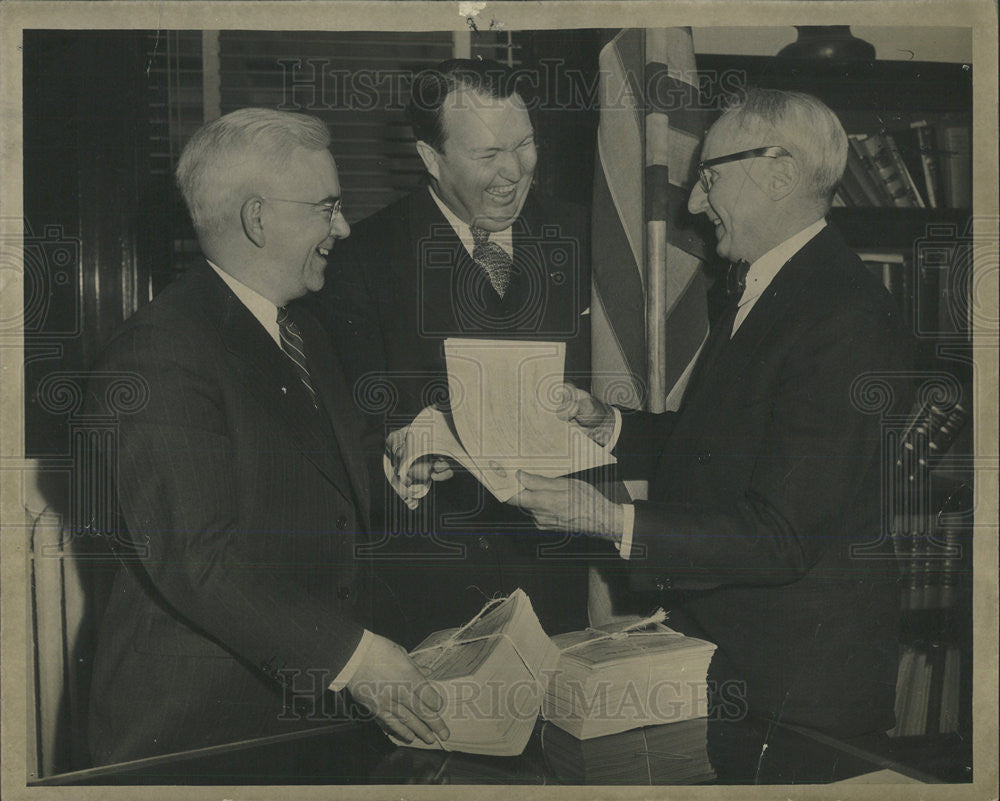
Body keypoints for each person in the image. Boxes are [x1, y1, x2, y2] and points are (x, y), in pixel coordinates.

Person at [512, 88, 914, 741]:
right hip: (742, 665)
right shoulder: (777, 287)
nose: (696, 203)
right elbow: (721, 444)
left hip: (797, 693)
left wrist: (608, 519)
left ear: (780, 171)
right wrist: (607, 425)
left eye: (710, 176)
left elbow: (782, 534)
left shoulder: (846, 316)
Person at [85, 108, 448, 765]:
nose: (342, 227)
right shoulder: (158, 352)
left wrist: (389, 471)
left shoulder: (300, 331)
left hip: (301, 715)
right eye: (328, 206)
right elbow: (201, 561)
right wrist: (357, 656)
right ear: (257, 218)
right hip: (199, 735)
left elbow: (307, 483)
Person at [304, 59, 594, 647]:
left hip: (555, 579)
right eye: (488, 155)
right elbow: (341, 427)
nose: (514, 171)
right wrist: (396, 452)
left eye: (525, 145)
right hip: (425, 589)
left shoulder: (587, 238)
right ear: (431, 159)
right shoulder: (361, 260)